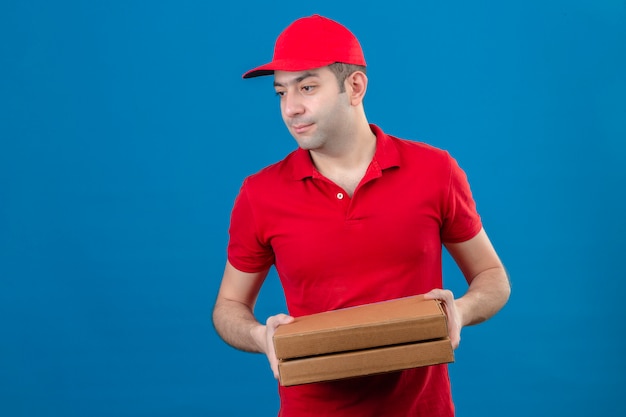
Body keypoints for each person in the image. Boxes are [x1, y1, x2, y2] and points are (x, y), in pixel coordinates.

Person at [212, 14, 510, 417]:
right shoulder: (260, 193)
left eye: (308, 87)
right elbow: (229, 305)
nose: (291, 108)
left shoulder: (435, 171)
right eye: (281, 92)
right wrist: (260, 335)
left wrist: (459, 310)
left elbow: (493, 278)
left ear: (354, 87)